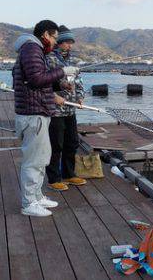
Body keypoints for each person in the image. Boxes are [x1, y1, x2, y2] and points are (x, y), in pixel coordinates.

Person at [13, 20, 79, 217]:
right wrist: (63, 71)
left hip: (39, 111)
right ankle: (28, 203)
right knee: (33, 161)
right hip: (34, 115)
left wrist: (56, 90)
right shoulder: (32, 48)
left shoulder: (34, 50)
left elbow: (36, 83)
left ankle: (37, 195)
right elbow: (36, 79)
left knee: (41, 158)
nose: (55, 42)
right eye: (55, 38)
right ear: (45, 35)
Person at [46, 25, 86, 191]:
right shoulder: (49, 58)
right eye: (67, 42)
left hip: (71, 108)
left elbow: (79, 81)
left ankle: (69, 174)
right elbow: (45, 81)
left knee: (72, 142)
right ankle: (54, 178)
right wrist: (56, 92)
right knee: (56, 144)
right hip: (55, 110)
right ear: (59, 42)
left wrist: (81, 96)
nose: (70, 45)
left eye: (71, 42)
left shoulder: (73, 60)